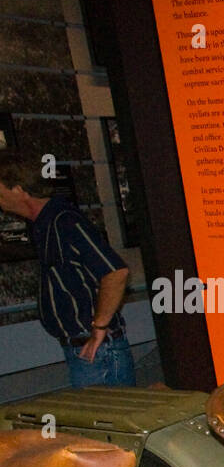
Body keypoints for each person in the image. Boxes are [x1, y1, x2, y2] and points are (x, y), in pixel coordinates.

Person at [0, 166, 135, 388]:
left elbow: (116, 272)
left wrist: (99, 328)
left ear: (18, 189)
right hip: (84, 347)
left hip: (96, 351)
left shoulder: (64, 221)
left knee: (100, 420)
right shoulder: (43, 224)